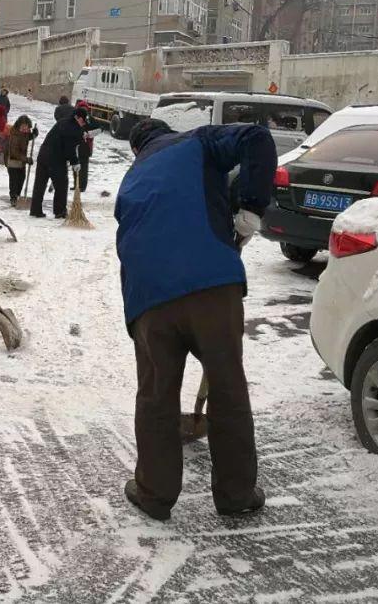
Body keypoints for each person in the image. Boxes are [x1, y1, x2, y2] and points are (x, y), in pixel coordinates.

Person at [115, 117, 276, 521]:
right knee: (228, 387)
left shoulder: (132, 178)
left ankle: (154, 492)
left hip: (149, 299)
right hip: (211, 287)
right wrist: (251, 207)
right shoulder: (198, 141)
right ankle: (236, 495)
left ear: (138, 149)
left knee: (155, 395)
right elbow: (256, 136)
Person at [30, 106, 89, 219]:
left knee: (40, 184)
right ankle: (60, 211)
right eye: (82, 120)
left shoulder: (63, 122)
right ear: (77, 117)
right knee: (62, 184)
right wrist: (75, 162)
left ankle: (35, 210)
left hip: (43, 154)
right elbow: (69, 148)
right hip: (56, 159)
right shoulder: (73, 128)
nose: (83, 123)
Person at [3, 114, 37, 206]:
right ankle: (13, 198)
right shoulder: (14, 135)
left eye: (26, 127)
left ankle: (17, 196)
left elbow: (27, 137)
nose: (25, 129)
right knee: (14, 181)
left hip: (21, 162)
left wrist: (34, 134)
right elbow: (14, 152)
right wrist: (26, 159)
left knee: (21, 179)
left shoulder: (24, 134)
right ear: (18, 126)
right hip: (12, 161)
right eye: (23, 127)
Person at [74, 99, 95, 193]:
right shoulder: (76, 119)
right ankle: (76, 184)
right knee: (75, 164)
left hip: (86, 146)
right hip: (76, 145)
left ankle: (82, 186)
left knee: (84, 166)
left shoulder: (89, 120)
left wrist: (87, 134)